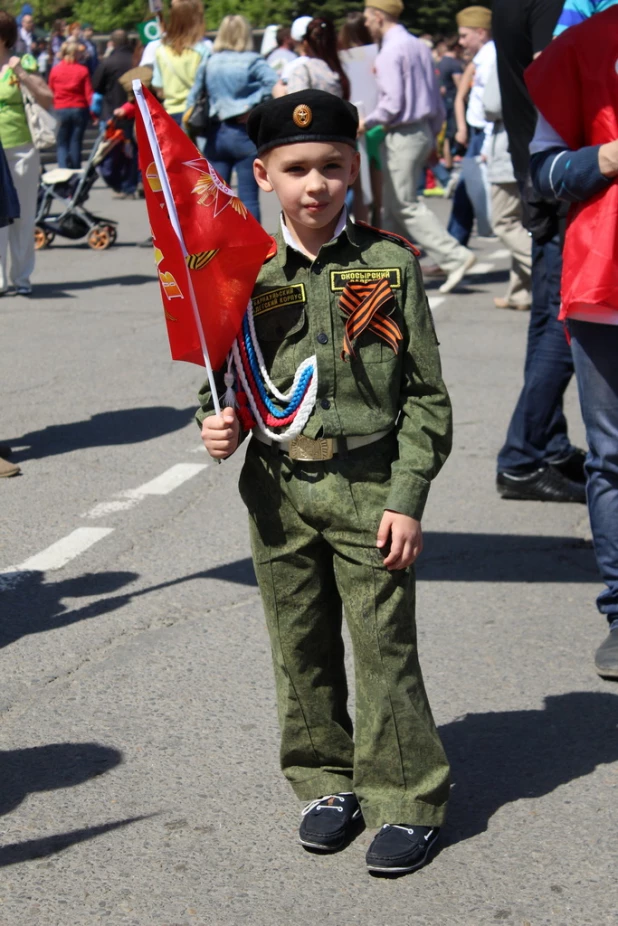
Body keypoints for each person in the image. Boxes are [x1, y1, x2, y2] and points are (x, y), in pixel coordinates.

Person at [198, 89, 452, 876]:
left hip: (369, 486)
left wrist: (406, 498)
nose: (316, 184)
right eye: (297, 168)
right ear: (264, 175)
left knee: (383, 649)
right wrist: (215, 422)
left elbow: (427, 399)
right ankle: (325, 778)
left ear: (353, 171)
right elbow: (223, 378)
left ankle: (409, 797)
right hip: (277, 491)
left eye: (332, 167)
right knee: (297, 644)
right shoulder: (240, 271)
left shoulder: (389, 263)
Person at [527, 3, 618, 677]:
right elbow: (546, 171)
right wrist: (606, 157)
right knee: (613, 458)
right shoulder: (583, 44)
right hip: (605, 280)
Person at [492, 0, 586, 502]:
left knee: (551, 318)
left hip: (542, 169)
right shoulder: (551, 5)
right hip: (560, 174)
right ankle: (523, 455)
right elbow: (560, 76)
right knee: (564, 321)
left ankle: (544, 444)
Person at [359, 0, 476, 294]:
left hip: (401, 133)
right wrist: (433, 135)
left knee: (402, 203)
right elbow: (435, 101)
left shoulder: (389, 51)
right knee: (393, 203)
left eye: (366, 17)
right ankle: (389, 268)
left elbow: (392, 103)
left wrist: (365, 121)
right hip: (419, 130)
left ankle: (455, 256)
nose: (364, 23)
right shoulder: (418, 46)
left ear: (377, 15)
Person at [186, 15, 277, 221]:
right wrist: (254, 106)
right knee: (249, 199)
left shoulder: (210, 61)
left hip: (216, 133)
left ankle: (218, 246)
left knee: (215, 198)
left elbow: (193, 98)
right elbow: (274, 85)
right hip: (245, 134)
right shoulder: (253, 61)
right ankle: (254, 248)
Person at [0, 10, 52, 297]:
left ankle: (21, 277)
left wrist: (21, 73)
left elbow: (47, 98)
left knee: (22, 215)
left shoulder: (20, 63)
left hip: (20, 148)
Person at [481, 60, 531, 310]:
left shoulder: (505, 54)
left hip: (509, 147)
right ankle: (521, 293)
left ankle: (549, 269)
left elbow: (491, 105)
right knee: (522, 222)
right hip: (531, 143)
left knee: (504, 222)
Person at [447, 6, 495, 246]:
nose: (461, 41)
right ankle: (455, 249)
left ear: (481, 32)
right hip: (478, 135)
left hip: (485, 136)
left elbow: (493, 106)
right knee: (466, 193)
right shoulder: (482, 58)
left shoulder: (491, 58)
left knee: (475, 194)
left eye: (465, 35)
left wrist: (487, 145)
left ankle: (454, 250)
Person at [92, 30, 138, 198]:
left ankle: (122, 183)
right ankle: (133, 182)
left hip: (114, 110)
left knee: (115, 151)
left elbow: (96, 85)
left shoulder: (108, 62)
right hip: (135, 109)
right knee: (134, 149)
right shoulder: (135, 61)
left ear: (112, 43)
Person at [152, 0, 209, 125]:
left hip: (171, 115)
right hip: (197, 115)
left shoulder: (161, 50)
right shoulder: (205, 48)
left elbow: (159, 88)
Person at [274, 17, 350, 99]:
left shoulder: (301, 70)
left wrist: (280, 96)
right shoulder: (340, 69)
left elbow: (299, 109)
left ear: (306, 43)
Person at [48, 41, 93, 169]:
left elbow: (50, 90)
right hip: (79, 108)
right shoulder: (82, 70)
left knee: (62, 143)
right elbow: (88, 93)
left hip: (60, 108)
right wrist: (94, 114)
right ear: (75, 53)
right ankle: (75, 172)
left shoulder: (55, 70)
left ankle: (63, 171)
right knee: (76, 142)